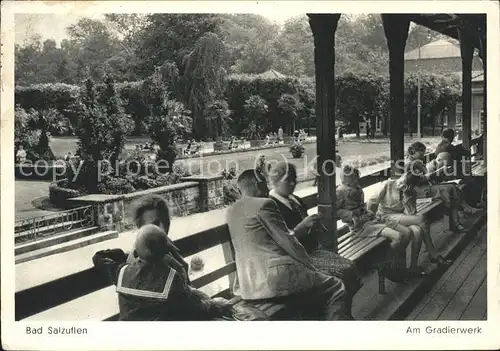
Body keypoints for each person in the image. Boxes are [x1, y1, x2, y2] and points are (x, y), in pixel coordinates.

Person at [93, 195, 267, 321]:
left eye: (164, 221)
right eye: (154, 224)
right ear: (140, 227)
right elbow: (186, 303)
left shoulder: (161, 253)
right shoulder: (143, 263)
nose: (162, 228)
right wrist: (214, 305)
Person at [226, 169, 352, 320]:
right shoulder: (264, 204)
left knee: (311, 296)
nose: (267, 188)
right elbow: (288, 241)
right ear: (256, 184)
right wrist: (310, 266)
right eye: (265, 183)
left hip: (249, 286)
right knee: (336, 286)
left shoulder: (231, 210)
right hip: (275, 281)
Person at [268, 162, 362, 315]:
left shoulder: (295, 200)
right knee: (341, 275)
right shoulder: (270, 206)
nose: (292, 183)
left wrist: (315, 226)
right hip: (294, 260)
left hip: (311, 251)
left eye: (294, 179)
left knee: (350, 267)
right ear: (275, 181)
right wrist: (302, 227)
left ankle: (342, 315)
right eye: (287, 180)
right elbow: (278, 242)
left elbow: (307, 228)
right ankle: (331, 317)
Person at [406, 142, 479, 230]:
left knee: (452, 187)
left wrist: (435, 174)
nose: (423, 154)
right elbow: (417, 181)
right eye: (421, 152)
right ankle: (459, 217)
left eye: (423, 152)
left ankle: (457, 220)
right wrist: (436, 173)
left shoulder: (416, 162)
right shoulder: (409, 164)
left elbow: (423, 177)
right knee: (450, 189)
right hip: (419, 192)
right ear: (414, 151)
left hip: (426, 188)